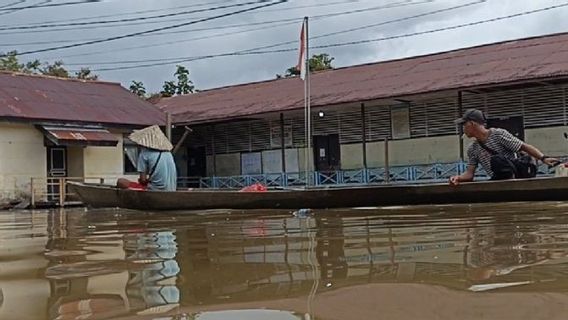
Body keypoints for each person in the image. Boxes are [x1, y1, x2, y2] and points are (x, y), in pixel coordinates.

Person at [449, 109, 558, 186]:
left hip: (514, 174)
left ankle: (510, 181)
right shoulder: (472, 149)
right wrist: (458, 177)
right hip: (497, 179)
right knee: (495, 163)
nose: (463, 129)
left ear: (472, 124)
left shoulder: (498, 134)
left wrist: (543, 158)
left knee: (497, 160)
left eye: (464, 125)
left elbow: (524, 147)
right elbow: (469, 174)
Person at [117, 125, 177, 191]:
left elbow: (143, 180)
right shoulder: (168, 153)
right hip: (172, 189)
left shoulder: (144, 154)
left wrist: (144, 181)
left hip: (154, 189)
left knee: (121, 181)